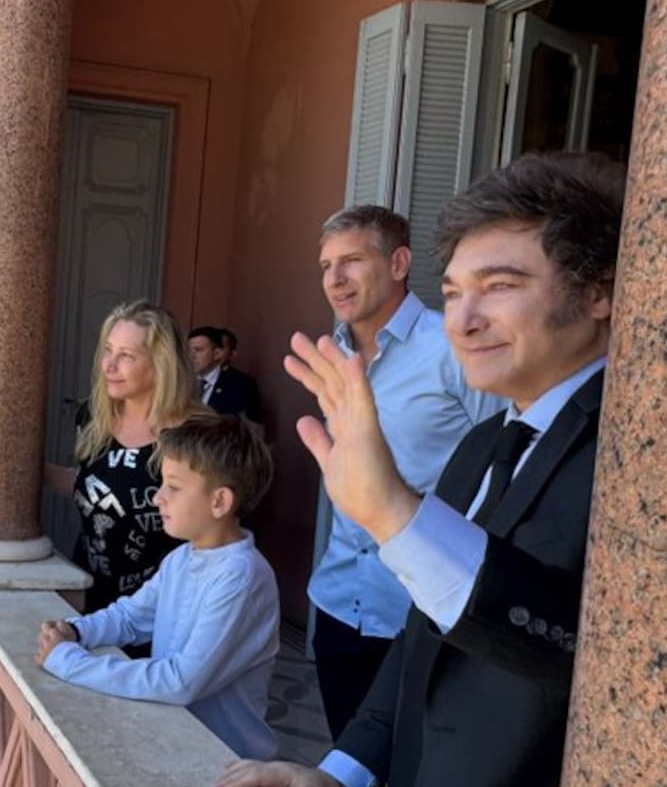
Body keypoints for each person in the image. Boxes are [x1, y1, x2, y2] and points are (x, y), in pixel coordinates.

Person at [218, 151, 624, 787]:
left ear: (598, 291)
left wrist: (394, 515)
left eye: (500, 286)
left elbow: (601, 660)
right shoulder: (488, 442)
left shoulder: (641, 454)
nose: (462, 321)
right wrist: (337, 774)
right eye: (456, 292)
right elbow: (423, 644)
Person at [307, 205, 505, 739]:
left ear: (398, 263)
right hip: (338, 606)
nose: (335, 279)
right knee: (348, 762)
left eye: (351, 261)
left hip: (421, 616)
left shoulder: (453, 350)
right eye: (326, 266)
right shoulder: (335, 359)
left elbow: (503, 470)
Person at [37, 414, 279, 759]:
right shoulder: (182, 558)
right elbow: (131, 617)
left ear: (220, 502)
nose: (158, 498)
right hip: (175, 742)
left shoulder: (241, 578)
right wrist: (76, 631)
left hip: (222, 761)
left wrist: (68, 661)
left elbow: (181, 681)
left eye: (174, 487)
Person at [67, 300, 209, 614]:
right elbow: (89, 486)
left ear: (161, 364)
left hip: (162, 610)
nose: (109, 365)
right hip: (89, 597)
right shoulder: (92, 417)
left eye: (126, 355)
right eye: (108, 349)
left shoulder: (196, 431)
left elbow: (213, 530)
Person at [189, 326, 261, 421]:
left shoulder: (241, 385)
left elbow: (250, 428)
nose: (191, 356)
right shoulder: (180, 382)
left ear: (217, 354)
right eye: (188, 350)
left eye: (198, 350)